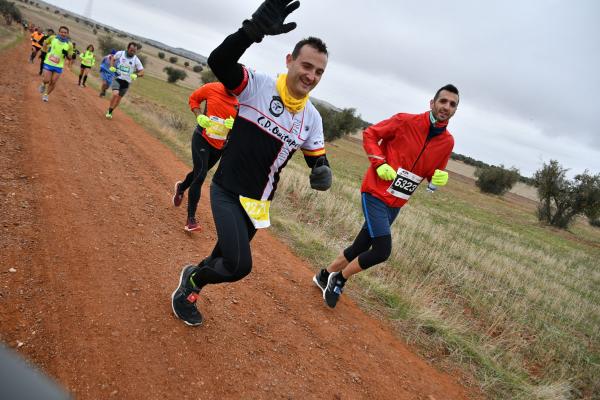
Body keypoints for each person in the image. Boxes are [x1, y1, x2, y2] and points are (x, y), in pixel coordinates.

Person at [171, 0, 333, 326]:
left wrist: (322, 171)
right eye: (306, 66)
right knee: (238, 264)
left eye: (319, 72)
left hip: (258, 203)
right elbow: (219, 60)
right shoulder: (256, 85)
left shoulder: (312, 119)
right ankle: (191, 280)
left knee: (223, 256)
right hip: (228, 190)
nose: (311, 76)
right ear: (289, 61)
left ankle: (192, 286)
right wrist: (251, 32)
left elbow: (317, 158)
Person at [314, 84, 459, 308]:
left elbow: (433, 173)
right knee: (382, 250)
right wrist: (379, 163)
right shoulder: (405, 121)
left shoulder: (447, 142)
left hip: (397, 201)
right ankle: (339, 278)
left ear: (455, 110)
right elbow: (370, 134)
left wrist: (438, 179)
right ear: (432, 103)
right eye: (443, 101)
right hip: (375, 191)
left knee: (360, 247)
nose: (446, 107)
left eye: (452, 104)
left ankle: (324, 275)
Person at [172, 82, 239, 232]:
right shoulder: (212, 88)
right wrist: (199, 116)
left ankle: (181, 187)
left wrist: (235, 125)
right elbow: (193, 99)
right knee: (201, 175)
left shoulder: (242, 101)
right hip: (202, 138)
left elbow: (244, 126)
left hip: (220, 145)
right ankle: (191, 220)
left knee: (198, 172)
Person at [105, 42, 144, 119]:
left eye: (134, 51)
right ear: (128, 48)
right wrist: (112, 66)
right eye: (131, 50)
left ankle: (110, 111)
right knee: (115, 94)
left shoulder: (136, 59)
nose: (132, 52)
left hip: (127, 82)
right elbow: (113, 58)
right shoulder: (120, 53)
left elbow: (142, 72)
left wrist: (136, 75)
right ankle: (109, 110)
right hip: (118, 77)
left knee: (119, 99)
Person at [38, 26, 73, 102]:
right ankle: (43, 84)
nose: (63, 34)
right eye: (62, 32)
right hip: (49, 62)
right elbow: (45, 42)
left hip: (58, 66)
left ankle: (46, 95)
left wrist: (67, 54)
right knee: (46, 80)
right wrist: (44, 51)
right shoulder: (53, 38)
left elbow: (70, 58)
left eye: (65, 32)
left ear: (67, 34)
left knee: (53, 81)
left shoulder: (69, 44)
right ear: (59, 32)